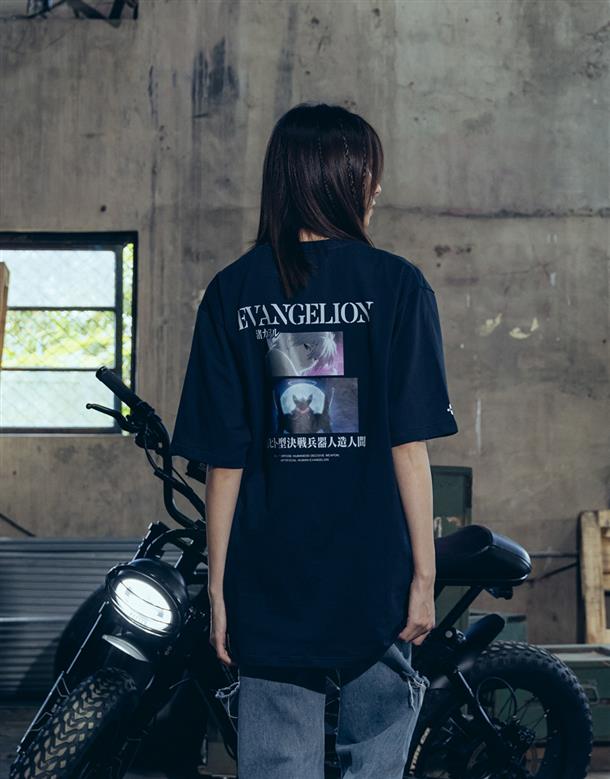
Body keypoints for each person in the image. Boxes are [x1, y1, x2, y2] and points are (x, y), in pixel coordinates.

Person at [170, 102, 459, 779]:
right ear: (343, 179)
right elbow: (409, 447)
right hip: (374, 570)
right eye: (369, 171)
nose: (377, 187)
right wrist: (424, 577)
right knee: (376, 753)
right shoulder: (397, 285)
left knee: (276, 763)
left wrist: (222, 590)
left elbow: (225, 463)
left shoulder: (232, 292)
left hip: (269, 575)